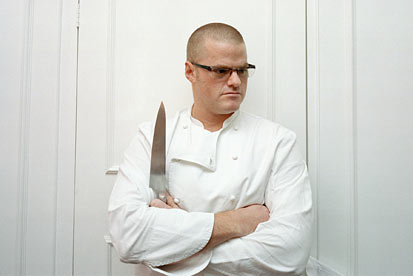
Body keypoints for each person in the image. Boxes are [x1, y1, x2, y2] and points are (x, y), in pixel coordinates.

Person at [108, 22, 313, 275]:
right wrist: (236, 223)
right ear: (190, 71)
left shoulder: (278, 141)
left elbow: (290, 251)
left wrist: (172, 248)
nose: (236, 81)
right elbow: (128, 237)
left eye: (243, 70)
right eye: (221, 71)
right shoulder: (152, 137)